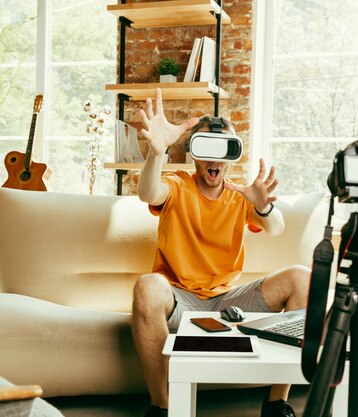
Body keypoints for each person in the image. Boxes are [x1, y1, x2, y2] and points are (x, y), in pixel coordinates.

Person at [131, 88, 310, 417]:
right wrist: (156, 153)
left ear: (231, 156)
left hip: (229, 300)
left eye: (222, 150)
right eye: (205, 149)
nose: (214, 160)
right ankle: (162, 408)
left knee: (302, 277)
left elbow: (276, 228)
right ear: (195, 155)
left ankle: (275, 404)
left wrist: (263, 205)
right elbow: (147, 193)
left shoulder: (241, 194)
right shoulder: (178, 184)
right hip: (179, 297)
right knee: (146, 285)